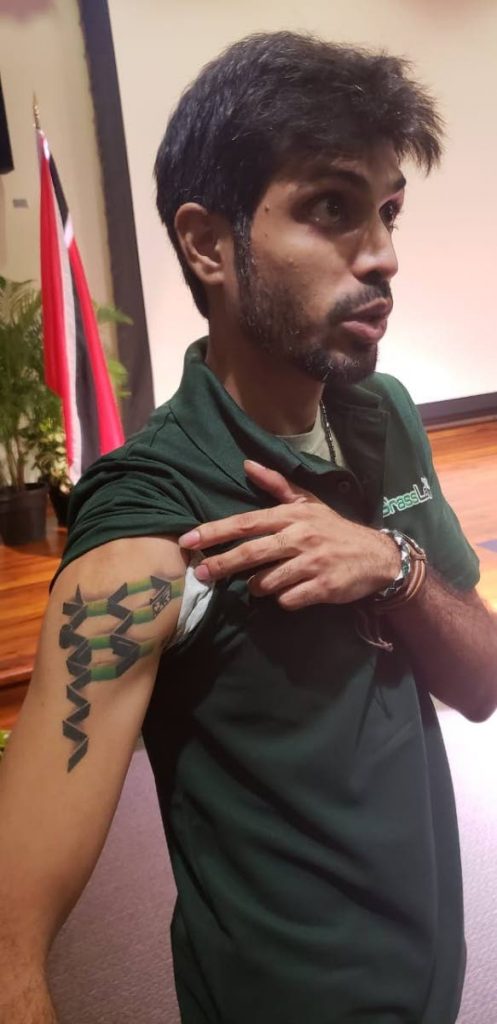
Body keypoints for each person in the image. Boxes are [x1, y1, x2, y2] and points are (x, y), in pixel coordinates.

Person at [0, 30, 496, 1024]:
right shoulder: (150, 526)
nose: (384, 254)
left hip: (433, 985)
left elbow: (480, 682)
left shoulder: (382, 413)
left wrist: (393, 568)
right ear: (205, 242)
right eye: (330, 208)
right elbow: (8, 946)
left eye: (387, 210)